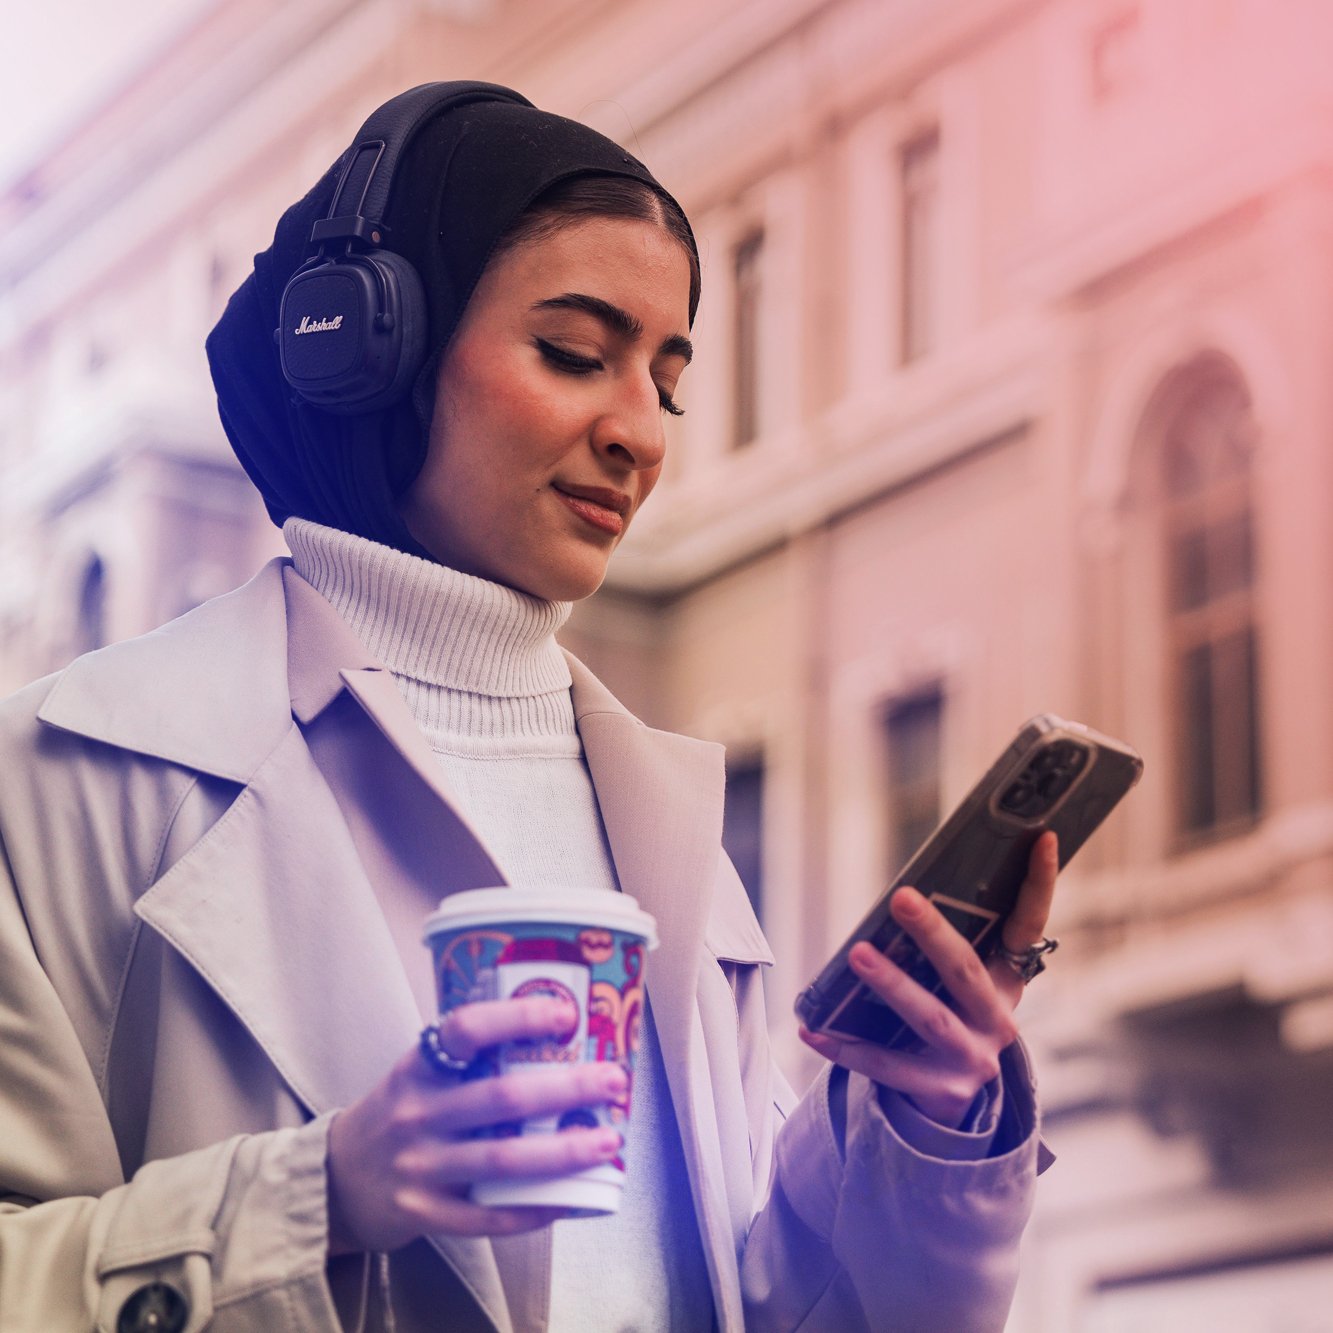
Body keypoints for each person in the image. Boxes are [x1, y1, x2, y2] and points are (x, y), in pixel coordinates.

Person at [0, 82, 1055, 1332]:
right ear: (366, 352)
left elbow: (771, 1302)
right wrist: (323, 1194)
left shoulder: (674, 838)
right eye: (572, 353)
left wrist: (924, 1134)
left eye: (665, 381)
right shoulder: (71, 774)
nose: (640, 435)